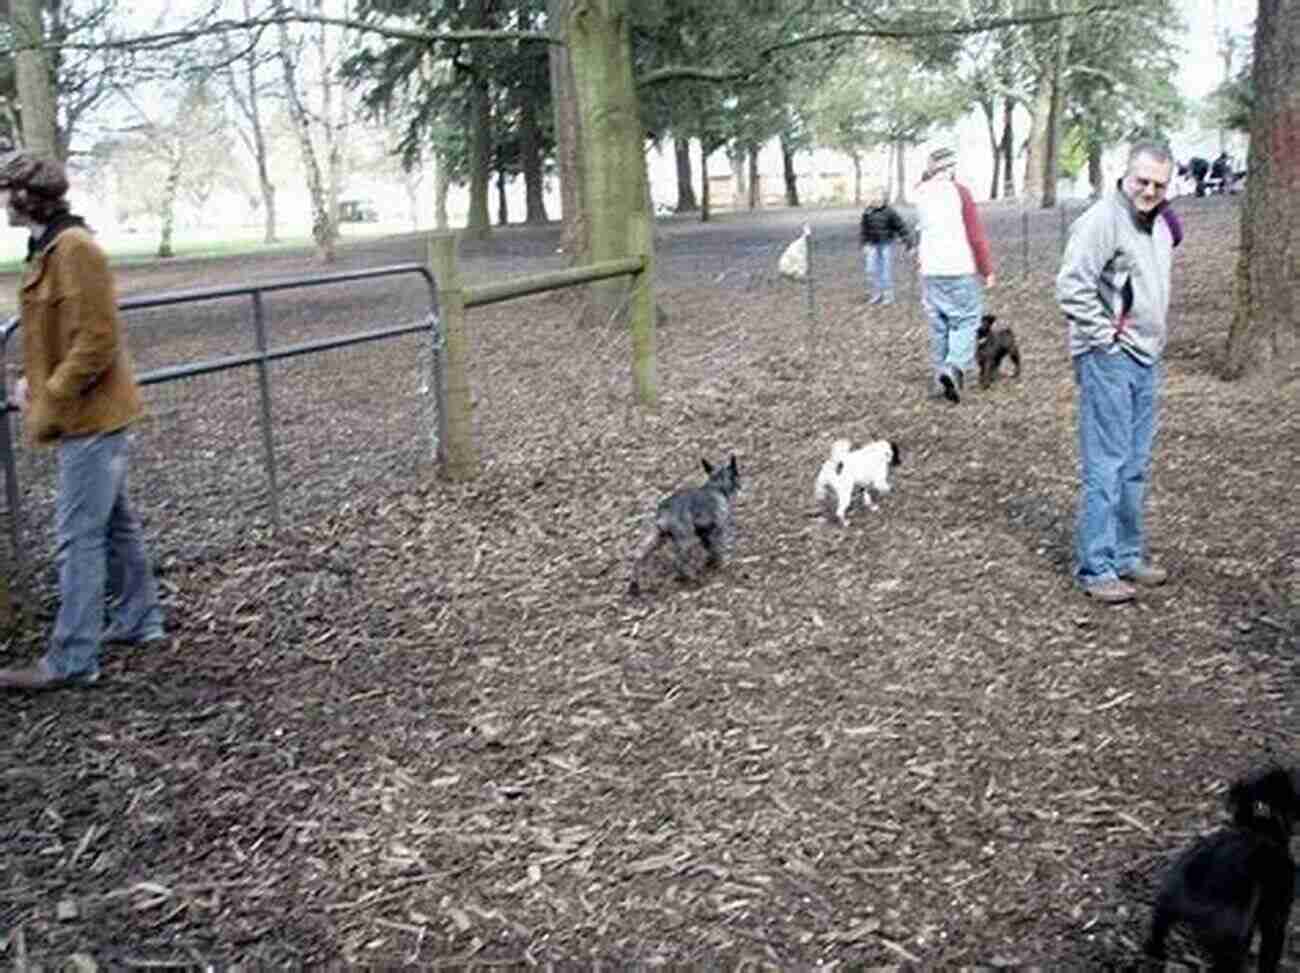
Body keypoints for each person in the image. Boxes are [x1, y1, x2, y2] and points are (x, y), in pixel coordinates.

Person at [0, 151, 164, 690]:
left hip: (91, 418)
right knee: (113, 525)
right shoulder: (52, 247)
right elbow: (63, 333)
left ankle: (72, 659)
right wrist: (34, 379)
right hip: (89, 415)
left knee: (78, 536)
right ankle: (140, 620)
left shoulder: (75, 249)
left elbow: (97, 341)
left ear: (26, 197)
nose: (3, 202)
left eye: (6, 191)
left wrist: (48, 394)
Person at [1056, 140, 1176, 605]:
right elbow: (1071, 286)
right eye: (1141, 181)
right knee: (1105, 464)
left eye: (1159, 184)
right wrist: (1105, 337)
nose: (1148, 190)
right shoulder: (1102, 220)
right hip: (1108, 356)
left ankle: (1127, 554)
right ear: (1125, 175)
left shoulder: (1161, 224)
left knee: (1134, 464)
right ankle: (1097, 566)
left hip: (1146, 357)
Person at [912, 147, 996, 403]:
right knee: (966, 320)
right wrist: (987, 269)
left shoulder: (920, 193)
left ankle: (940, 381)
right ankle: (954, 366)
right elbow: (975, 234)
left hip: (930, 269)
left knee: (939, 325)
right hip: (958, 266)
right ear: (950, 168)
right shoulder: (960, 193)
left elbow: (921, 232)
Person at [858, 186, 911, 305]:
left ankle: (888, 295)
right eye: (873, 196)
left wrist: (907, 242)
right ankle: (876, 294)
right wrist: (864, 244)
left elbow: (901, 227)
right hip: (872, 244)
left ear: (883, 198)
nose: (875, 198)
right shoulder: (867, 212)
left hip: (885, 244)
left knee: (885, 270)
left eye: (878, 196)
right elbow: (863, 229)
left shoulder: (890, 212)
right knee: (871, 270)